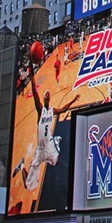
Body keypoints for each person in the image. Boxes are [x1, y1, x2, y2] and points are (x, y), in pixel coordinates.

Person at [12, 59, 80, 190]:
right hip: (40, 149)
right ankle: (21, 167)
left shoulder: (52, 111)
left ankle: (56, 142)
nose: (47, 96)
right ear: (44, 99)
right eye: (46, 95)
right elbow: (34, 90)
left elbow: (64, 109)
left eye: (49, 95)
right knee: (28, 186)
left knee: (56, 161)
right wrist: (31, 73)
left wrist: (73, 100)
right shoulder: (40, 110)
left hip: (48, 145)